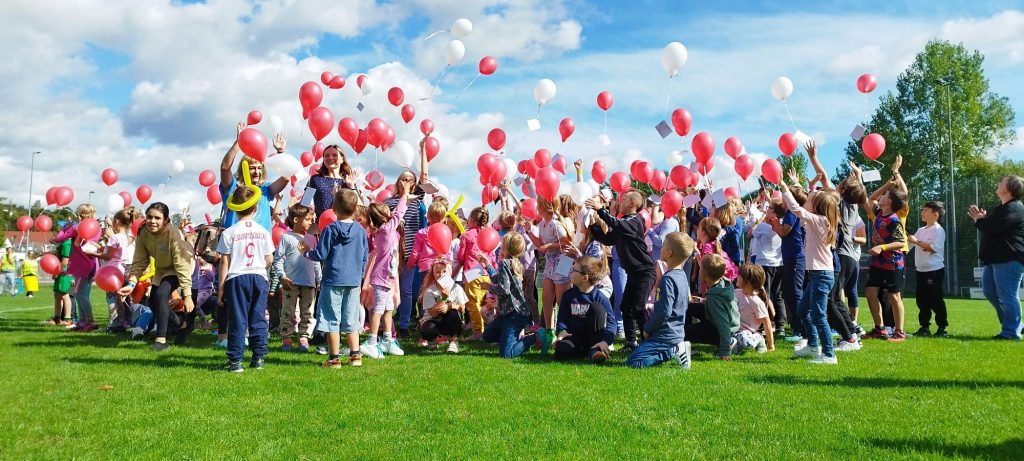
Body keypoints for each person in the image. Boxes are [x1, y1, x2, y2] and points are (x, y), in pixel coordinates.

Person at [303, 189, 370, 367]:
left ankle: (334, 358)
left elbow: (320, 254)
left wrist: (306, 253)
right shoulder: (360, 231)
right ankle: (355, 356)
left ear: (333, 208)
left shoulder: (330, 229)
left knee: (331, 318)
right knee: (351, 318)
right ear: (355, 208)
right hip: (353, 281)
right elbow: (365, 256)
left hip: (333, 279)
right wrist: (360, 275)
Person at [117, 203, 196, 352]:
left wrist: (187, 295)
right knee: (153, 302)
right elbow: (140, 261)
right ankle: (183, 325)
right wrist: (132, 283)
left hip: (181, 266)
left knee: (161, 294)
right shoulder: (143, 232)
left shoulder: (173, 234)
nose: (152, 221)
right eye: (149, 217)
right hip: (162, 268)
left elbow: (181, 265)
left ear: (166, 220)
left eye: (157, 218)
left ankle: (161, 341)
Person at [780, 176, 841, 364]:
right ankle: (813, 346)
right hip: (816, 275)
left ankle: (829, 355)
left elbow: (797, 209)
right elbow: (804, 206)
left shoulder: (819, 221)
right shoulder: (817, 220)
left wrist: (784, 187)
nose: (806, 199)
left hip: (822, 275)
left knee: (818, 315)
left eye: (810, 199)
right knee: (802, 310)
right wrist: (798, 185)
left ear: (815, 207)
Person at [587, 190, 656, 352]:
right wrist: (593, 225)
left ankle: (650, 343)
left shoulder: (635, 220)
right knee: (626, 307)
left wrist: (601, 210)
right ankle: (631, 343)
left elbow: (618, 224)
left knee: (638, 308)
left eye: (623, 200)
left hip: (645, 272)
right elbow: (607, 239)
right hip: (633, 274)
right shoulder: (623, 223)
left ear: (632, 204)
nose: (620, 202)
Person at [216, 187, 274, 372]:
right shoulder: (263, 232)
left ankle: (235, 361)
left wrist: (221, 287)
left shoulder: (229, 233)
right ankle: (259, 358)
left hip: (237, 278)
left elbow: (224, 262)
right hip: (259, 277)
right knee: (258, 318)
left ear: (235, 209)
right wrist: (259, 268)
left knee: (238, 319)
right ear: (255, 208)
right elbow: (269, 259)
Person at [626, 232, 693, 369]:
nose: (660, 249)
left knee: (633, 363)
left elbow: (664, 312)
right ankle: (676, 348)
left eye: (663, 246)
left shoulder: (667, 279)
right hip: (677, 333)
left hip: (664, 336)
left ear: (669, 253)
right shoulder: (682, 276)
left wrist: (647, 328)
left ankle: (673, 351)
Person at [968, 175, 1024, 340]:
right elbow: (991, 227)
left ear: (1009, 189)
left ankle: (1011, 332)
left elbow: (993, 228)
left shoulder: (1014, 208)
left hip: (1009, 259)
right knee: (990, 291)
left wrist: (980, 220)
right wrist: (982, 220)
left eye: (1002, 182)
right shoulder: (1003, 208)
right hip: (996, 259)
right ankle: (1016, 325)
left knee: (1008, 295)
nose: (998, 183)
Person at [386, 140, 431, 338]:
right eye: (403, 179)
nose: (406, 182)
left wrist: (423, 149)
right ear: (398, 182)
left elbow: (424, 175)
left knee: (406, 290)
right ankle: (385, 324)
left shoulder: (417, 199)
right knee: (387, 288)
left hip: (411, 252)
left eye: (410, 179)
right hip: (393, 252)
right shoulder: (389, 202)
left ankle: (404, 324)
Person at [360, 181, 410, 359]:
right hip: (382, 279)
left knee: (389, 309)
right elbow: (399, 213)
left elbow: (395, 215)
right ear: (384, 216)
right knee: (379, 310)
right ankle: (371, 342)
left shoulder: (386, 231)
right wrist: (404, 195)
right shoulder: (387, 230)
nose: (391, 212)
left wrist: (372, 202)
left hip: (388, 278)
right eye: (388, 210)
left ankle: (387, 340)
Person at [522, 195, 572, 351]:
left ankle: (565, 330)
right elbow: (541, 245)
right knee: (546, 298)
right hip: (551, 262)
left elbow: (567, 242)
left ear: (543, 207)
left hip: (563, 262)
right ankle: (549, 332)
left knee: (561, 300)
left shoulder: (556, 224)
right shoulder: (543, 225)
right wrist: (529, 232)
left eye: (538, 204)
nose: (536, 207)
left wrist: (549, 246)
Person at [219, 121, 289, 230]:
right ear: (243, 169)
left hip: (261, 240)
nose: (257, 171)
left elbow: (285, 178)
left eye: (259, 168)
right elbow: (225, 168)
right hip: (236, 239)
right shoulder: (233, 188)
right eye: (252, 168)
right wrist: (239, 142)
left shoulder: (265, 190)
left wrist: (281, 152)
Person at [864, 179, 910, 342]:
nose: (881, 196)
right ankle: (880, 329)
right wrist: (887, 186)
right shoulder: (878, 213)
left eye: (884, 195)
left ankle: (899, 332)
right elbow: (871, 198)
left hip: (893, 263)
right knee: (870, 293)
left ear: (888, 202)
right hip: (878, 262)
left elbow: (901, 242)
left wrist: (881, 247)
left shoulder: (894, 220)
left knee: (894, 297)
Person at [479, 232, 536, 358]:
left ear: (507, 247)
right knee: (487, 336)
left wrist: (488, 287)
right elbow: (497, 279)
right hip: (508, 313)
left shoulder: (504, 263)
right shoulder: (513, 263)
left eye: (502, 243)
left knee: (506, 354)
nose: (500, 245)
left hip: (515, 314)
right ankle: (510, 340)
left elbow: (504, 290)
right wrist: (487, 265)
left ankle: (535, 337)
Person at [274, 203, 322, 352]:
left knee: (307, 313)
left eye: (311, 219)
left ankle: (304, 338)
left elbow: (315, 260)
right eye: (307, 219)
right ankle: (286, 339)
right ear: (296, 220)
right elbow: (278, 259)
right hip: (291, 282)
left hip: (309, 282)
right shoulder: (286, 237)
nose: (310, 222)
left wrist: (319, 278)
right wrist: (282, 276)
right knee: (287, 311)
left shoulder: (311, 239)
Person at [553, 256, 615, 364]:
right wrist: (562, 331)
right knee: (561, 351)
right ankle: (582, 352)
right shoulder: (568, 295)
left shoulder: (600, 297)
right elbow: (562, 318)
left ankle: (595, 351)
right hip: (573, 337)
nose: (570, 272)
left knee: (597, 308)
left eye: (574, 270)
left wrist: (606, 341)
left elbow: (612, 322)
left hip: (593, 341)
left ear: (585, 278)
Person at [769, 171, 806, 343]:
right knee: (789, 292)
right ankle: (797, 326)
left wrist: (774, 222)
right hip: (790, 257)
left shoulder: (792, 212)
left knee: (795, 293)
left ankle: (801, 329)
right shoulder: (791, 211)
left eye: (785, 197)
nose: (782, 200)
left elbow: (784, 232)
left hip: (796, 257)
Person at [83, 209, 133, 331]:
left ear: (117, 221)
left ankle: (113, 324)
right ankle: (121, 323)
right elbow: (113, 253)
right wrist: (98, 247)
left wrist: (91, 253)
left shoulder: (114, 237)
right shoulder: (125, 237)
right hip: (121, 270)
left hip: (112, 273)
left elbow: (108, 256)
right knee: (119, 299)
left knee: (111, 299)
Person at [54, 204, 100, 332]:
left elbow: (59, 238)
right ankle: (82, 322)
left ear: (80, 215)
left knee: (80, 294)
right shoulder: (96, 228)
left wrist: (67, 226)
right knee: (82, 294)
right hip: (88, 266)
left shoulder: (77, 228)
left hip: (82, 266)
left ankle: (90, 322)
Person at [454, 207, 494, 341]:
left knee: (473, 304)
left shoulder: (467, 235)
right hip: (487, 271)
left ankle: (478, 332)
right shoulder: (488, 234)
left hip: (472, 272)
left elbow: (461, 256)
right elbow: (492, 256)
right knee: (485, 303)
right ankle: (490, 330)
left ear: (472, 220)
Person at [909, 201, 947, 337]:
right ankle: (924, 328)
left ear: (935, 214)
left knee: (935, 299)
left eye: (926, 210)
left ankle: (942, 328)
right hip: (920, 270)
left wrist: (916, 241)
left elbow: (933, 248)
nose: (922, 213)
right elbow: (908, 246)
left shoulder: (938, 230)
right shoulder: (921, 230)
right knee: (921, 300)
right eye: (922, 210)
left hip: (934, 271)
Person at [750, 197, 785, 336]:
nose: (767, 209)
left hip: (764, 263)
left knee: (764, 295)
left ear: (774, 212)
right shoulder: (782, 226)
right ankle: (780, 324)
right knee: (778, 295)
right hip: (778, 263)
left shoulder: (764, 226)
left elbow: (750, 234)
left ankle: (764, 324)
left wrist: (759, 220)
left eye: (769, 208)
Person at [418, 257, 465, 353]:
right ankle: (431, 342)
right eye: (437, 272)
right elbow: (433, 314)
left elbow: (462, 308)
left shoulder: (457, 288)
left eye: (444, 272)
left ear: (450, 273)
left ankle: (454, 342)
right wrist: (444, 299)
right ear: (433, 274)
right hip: (432, 320)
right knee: (428, 329)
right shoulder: (429, 291)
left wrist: (450, 306)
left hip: (449, 321)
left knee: (453, 312)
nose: (441, 274)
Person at [304, 144, 357, 220]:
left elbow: (358, 207)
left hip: (344, 224)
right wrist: (310, 215)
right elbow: (305, 202)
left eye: (334, 155)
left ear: (342, 159)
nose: (330, 158)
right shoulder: (315, 179)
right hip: (320, 224)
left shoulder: (349, 180)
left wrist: (351, 186)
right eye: (327, 156)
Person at [734, 264, 774, 354]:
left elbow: (767, 323)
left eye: (739, 275)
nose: (737, 276)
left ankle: (759, 338)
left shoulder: (756, 302)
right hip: (734, 331)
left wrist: (771, 345)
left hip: (747, 333)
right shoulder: (735, 293)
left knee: (745, 341)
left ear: (748, 281)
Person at [47, 238, 74, 325]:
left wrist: (57, 272)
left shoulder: (67, 244)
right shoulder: (65, 242)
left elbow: (65, 261)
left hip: (64, 273)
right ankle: (57, 318)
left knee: (65, 295)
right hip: (63, 272)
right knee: (57, 295)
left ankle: (67, 319)